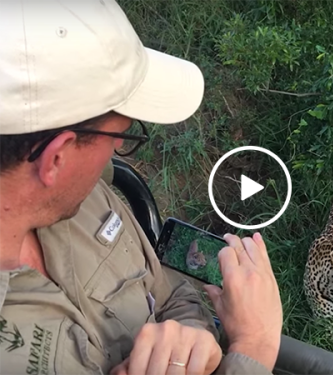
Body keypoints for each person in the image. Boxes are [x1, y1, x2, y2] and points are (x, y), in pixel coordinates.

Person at [0, 1, 283, 374]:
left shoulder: (80, 200)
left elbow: (169, 294)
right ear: (56, 157)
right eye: (121, 134)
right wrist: (254, 345)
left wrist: (191, 342)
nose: (118, 150)